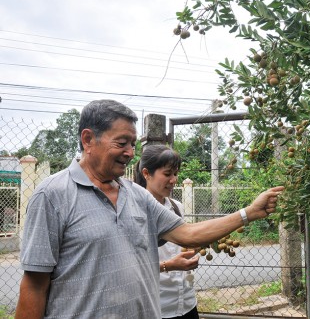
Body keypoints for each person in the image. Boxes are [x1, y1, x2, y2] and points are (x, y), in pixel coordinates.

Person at [15, 99, 284, 319]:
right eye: (122, 143)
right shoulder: (51, 196)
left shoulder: (137, 196)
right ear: (88, 140)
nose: (131, 152)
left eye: (133, 143)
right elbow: (35, 285)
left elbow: (188, 234)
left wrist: (250, 212)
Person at [134, 145, 199, 319]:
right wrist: (169, 265)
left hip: (186, 301)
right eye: (167, 174)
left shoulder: (176, 207)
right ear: (146, 173)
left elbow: (183, 243)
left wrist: (194, 250)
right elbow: (130, 267)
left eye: (175, 174)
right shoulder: (134, 212)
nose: (174, 180)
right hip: (158, 307)